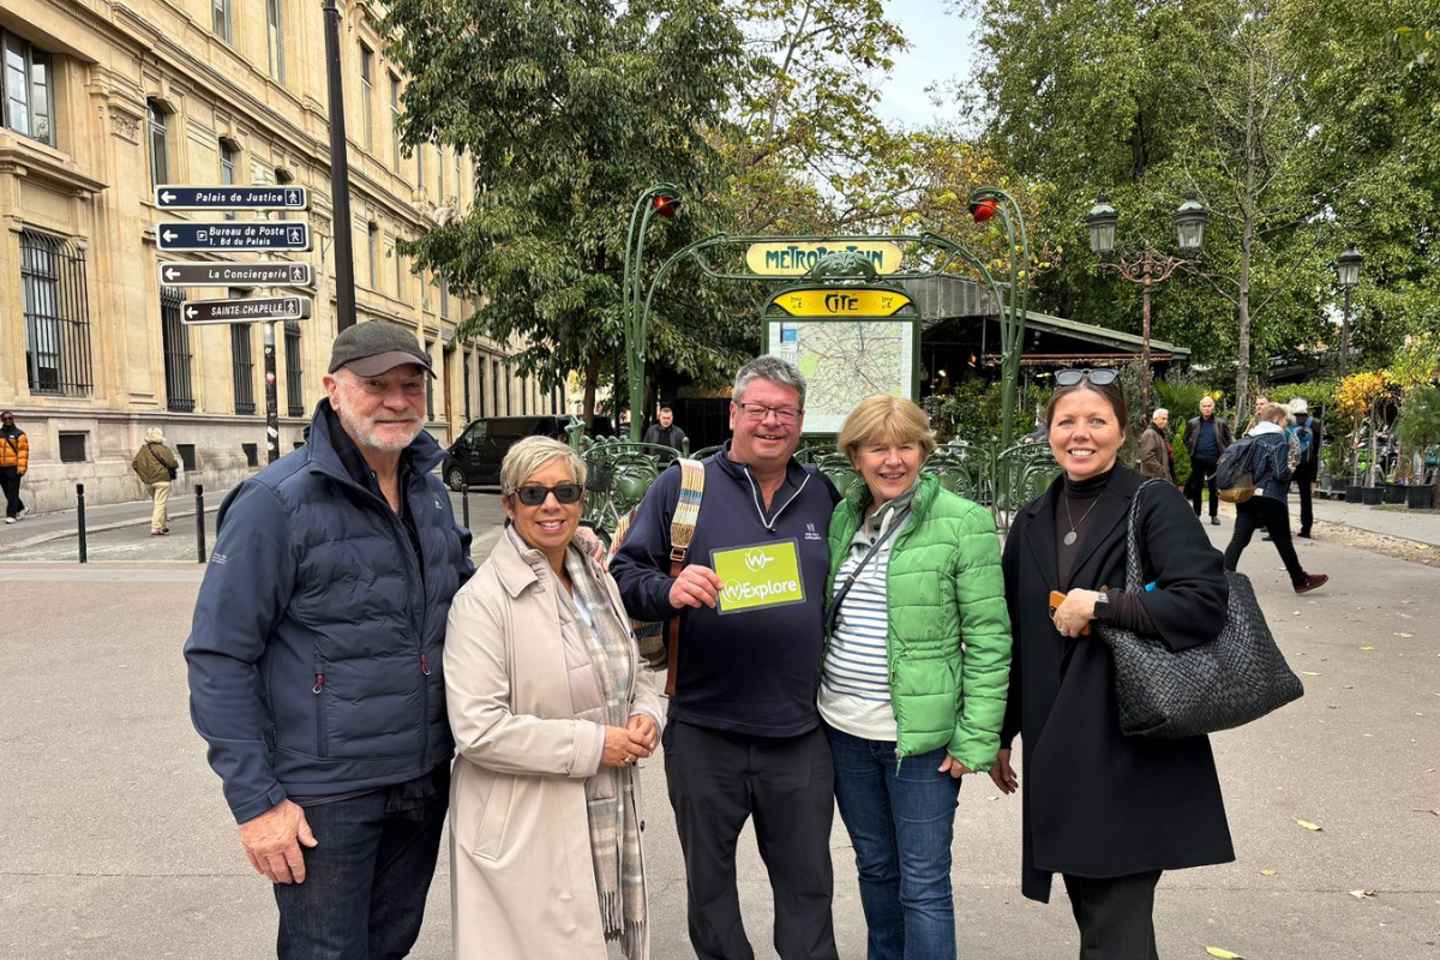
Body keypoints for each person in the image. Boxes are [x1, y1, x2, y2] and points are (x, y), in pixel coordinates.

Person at [184, 320, 474, 960]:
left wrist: (560, 555)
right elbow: (219, 657)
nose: (397, 400)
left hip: (423, 775)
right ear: (333, 389)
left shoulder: (426, 488)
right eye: (376, 385)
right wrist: (258, 804)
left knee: (389, 944)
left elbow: (466, 599)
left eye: (410, 385)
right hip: (325, 794)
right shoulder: (275, 501)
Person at [993, 368, 1235, 957]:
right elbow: (1015, 638)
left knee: (1114, 924)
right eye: (1066, 421)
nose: (1081, 434)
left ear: (1122, 431)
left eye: (1096, 421)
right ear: (1047, 431)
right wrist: (1001, 734)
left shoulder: (1152, 504)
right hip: (1060, 748)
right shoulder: (1029, 521)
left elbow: (1204, 601)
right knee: (1096, 915)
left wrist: (1102, 606)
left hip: (1128, 748)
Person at [611, 355, 842, 960]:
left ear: (800, 421)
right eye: (759, 409)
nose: (772, 422)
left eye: (785, 412)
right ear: (734, 413)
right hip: (704, 729)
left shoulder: (823, 494)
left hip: (798, 731)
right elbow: (624, 571)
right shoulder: (685, 485)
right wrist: (669, 590)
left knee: (809, 887)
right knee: (710, 890)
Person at [444, 436, 664, 959]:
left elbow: (634, 671)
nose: (551, 504)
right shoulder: (481, 602)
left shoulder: (597, 578)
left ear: (582, 501)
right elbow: (478, 729)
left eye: (566, 491)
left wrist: (646, 714)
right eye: (533, 492)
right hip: (525, 820)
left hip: (598, 804)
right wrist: (595, 746)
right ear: (507, 503)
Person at [821, 395, 1011, 960]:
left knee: (924, 885)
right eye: (878, 447)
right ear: (855, 455)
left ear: (923, 451)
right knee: (875, 869)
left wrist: (977, 735)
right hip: (844, 729)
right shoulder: (842, 517)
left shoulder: (963, 521)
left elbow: (989, 638)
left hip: (921, 744)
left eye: (906, 446)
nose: (893, 460)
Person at [1223, 403, 1328, 594]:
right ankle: (1299, 579)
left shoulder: (1250, 437)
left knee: (1239, 539)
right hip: (1271, 497)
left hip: (1247, 495)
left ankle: (1221, 577)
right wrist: (1291, 470)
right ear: (1277, 420)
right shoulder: (1277, 439)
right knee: (1283, 541)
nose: (1285, 425)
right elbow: (1280, 473)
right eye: (1284, 421)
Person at [1182, 396, 1232, 527]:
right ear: (1200, 408)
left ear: (1213, 407)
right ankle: (1196, 514)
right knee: (1197, 488)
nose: (1207, 408)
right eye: (1204, 406)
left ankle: (1214, 515)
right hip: (1197, 460)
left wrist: (1224, 455)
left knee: (1213, 489)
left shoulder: (1221, 423)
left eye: (1209, 406)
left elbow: (1228, 440)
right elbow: (1186, 439)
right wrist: (1191, 450)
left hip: (1215, 461)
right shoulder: (1192, 423)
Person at [132, 427, 180, 536]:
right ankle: (156, 527)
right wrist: (175, 464)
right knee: (160, 503)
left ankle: (162, 526)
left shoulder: (143, 450)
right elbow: (172, 463)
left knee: (158, 503)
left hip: (149, 482)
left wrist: (144, 476)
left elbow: (135, 464)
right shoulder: (163, 449)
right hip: (162, 479)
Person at [1288, 398, 1322, 538]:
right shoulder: (1315, 423)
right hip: (1308, 466)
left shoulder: (1289, 422)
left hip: (1291, 464)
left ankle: (1282, 526)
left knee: (1281, 496)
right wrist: (1314, 475)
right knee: (1306, 499)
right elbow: (1316, 450)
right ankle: (1306, 528)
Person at [0, 410, 28, 524]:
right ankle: (21, 508)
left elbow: (23, 452)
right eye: (5, 418)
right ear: (2, 420)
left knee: (12, 491)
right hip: (1, 467)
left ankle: (11, 515)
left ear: (13, 419)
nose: (8, 420)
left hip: (13, 467)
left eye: (10, 418)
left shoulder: (19, 434)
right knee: (7, 492)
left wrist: (21, 468)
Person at [1138, 408, 1176, 482]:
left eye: (1167, 419)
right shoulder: (1150, 434)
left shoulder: (1159, 434)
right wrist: (1162, 472)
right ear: (1155, 419)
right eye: (1163, 419)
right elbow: (1147, 457)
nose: (1166, 421)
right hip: (1152, 478)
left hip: (1159, 478)